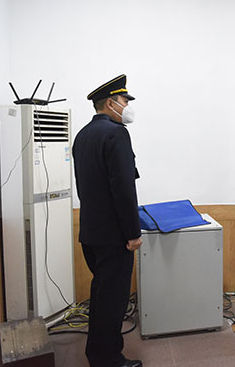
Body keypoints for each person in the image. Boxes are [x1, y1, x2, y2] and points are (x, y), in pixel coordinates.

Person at [73, 74, 143, 367]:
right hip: (114, 237)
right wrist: (133, 233)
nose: (128, 106)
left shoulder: (83, 135)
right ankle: (109, 360)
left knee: (102, 297)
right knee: (112, 301)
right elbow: (123, 188)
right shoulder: (116, 134)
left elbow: (85, 187)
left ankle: (97, 354)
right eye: (125, 100)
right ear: (111, 103)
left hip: (91, 232)